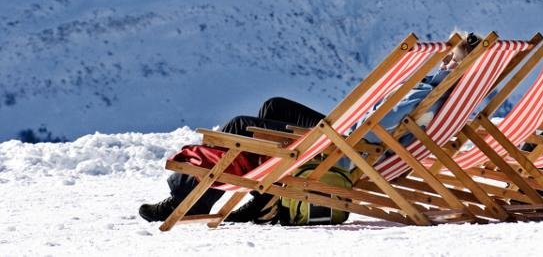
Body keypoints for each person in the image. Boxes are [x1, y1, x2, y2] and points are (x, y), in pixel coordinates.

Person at [137, 33, 481, 223]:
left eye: (451, 61)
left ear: (454, 70)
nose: (446, 61)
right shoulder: (439, 96)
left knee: (241, 127)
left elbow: (385, 120)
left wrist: (437, 75)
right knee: (274, 106)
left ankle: (189, 198)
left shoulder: (423, 100)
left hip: (344, 147)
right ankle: (264, 196)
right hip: (347, 134)